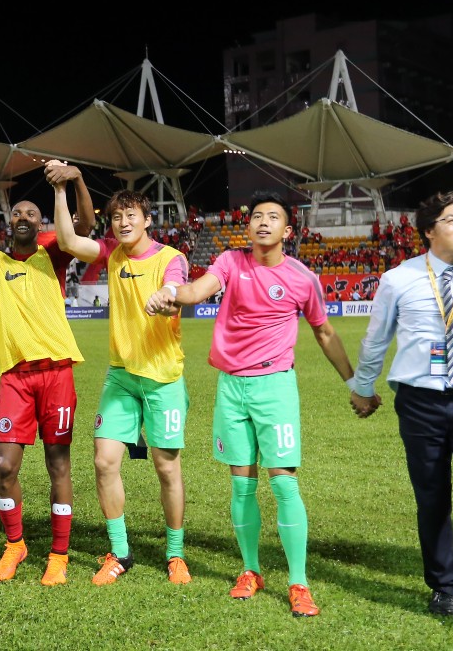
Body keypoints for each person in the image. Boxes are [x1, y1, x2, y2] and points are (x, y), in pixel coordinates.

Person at [145, 194, 356, 617]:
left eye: (273, 217)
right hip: (231, 388)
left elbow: (325, 333)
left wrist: (354, 382)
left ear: (287, 231)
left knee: (283, 483)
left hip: (275, 387)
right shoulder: (229, 262)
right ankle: (251, 570)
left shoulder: (301, 278)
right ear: (248, 228)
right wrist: (171, 292)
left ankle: (298, 581)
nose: (263, 222)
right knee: (241, 484)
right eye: (257, 216)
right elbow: (197, 289)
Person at [0, 153, 94, 586]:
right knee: (4, 467)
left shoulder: (53, 252)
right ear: (9, 222)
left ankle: (59, 553)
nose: (23, 217)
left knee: (58, 465)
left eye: (31, 213)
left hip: (57, 373)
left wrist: (76, 179)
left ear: (42, 224)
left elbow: (86, 228)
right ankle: (15, 544)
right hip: (15, 376)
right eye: (16, 212)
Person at [51, 171, 192, 586]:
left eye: (131, 215)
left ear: (147, 219)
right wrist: (60, 190)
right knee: (104, 460)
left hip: (164, 378)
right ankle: (121, 551)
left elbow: (175, 289)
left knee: (167, 469)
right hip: (122, 376)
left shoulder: (171, 258)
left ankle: (176, 553)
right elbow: (68, 242)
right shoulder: (113, 254)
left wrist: (166, 298)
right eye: (116, 218)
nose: (123, 223)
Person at [349, 190, 453, 617]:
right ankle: (444, 588)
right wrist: (363, 388)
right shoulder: (398, 278)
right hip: (420, 403)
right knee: (433, 496)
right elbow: (376, 339)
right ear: (428, 230)